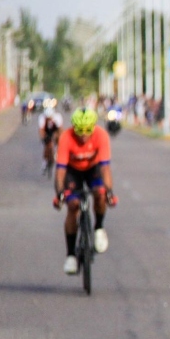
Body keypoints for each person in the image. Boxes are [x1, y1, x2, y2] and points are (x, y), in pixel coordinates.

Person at [53, 108, 117, 274]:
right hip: (73, 172)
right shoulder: (66, 138)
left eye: (87, 131)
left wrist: (110, 192)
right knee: (73, 205)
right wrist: (60, 193)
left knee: (100, 193)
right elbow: (60, 171)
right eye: (79, 131)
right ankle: (71, 255)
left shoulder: (101, 135)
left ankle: (99, 228)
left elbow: (105, 168)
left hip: (93, 169)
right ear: (73, 128)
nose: (83, 136)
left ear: (93, 127)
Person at [38, 107, 64, 174]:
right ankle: (45, 162)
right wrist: (43, 137)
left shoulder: (57, 117)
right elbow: (41, 130)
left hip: (55, 130)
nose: (49, 119)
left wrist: (59, 138)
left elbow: (60, 129)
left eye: (50, 117)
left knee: (59, 139)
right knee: (47, 146)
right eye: (48, 118)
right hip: (47, 132)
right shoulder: (42, 118)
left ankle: (57, 152)